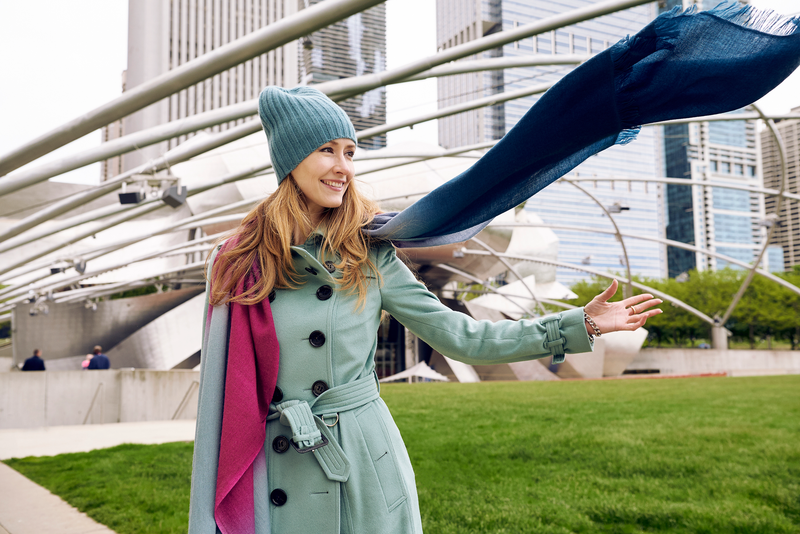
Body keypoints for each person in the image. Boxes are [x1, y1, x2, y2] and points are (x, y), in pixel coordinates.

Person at [188, 86, 661, 533]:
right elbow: (219, 397)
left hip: (360, 465)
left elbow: (463, 337)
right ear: (291, 159)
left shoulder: (369, 254)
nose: (343, 167)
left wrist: (580, 323)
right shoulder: (237, 264)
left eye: (350, 152)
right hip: (279, 465)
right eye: (327, 150)